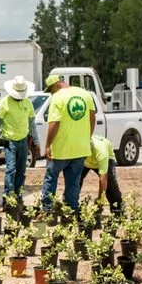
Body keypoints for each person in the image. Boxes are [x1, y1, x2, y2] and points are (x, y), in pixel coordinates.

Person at [40, 75, 96, 215]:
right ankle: (71, 212)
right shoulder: (85, 94)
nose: (51, 93)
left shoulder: (57, 97)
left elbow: (54, 123)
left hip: (60, 150)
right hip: (80, 148)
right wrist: (87, 137)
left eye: (50, 90)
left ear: (55, 85)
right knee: (73, 182)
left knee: (51, 178)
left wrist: (47, 145)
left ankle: (47, 211)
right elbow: (92, 118)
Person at [0, 75, 37, 204]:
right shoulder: (5, 102)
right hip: (10, 141)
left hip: (23, 141)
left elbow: (32, 124)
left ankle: (18, 196)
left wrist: (36, 142)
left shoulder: (28, 103)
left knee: (21, 170)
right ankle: (8, 197)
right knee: (11, 170)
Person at [80, 134, 123, 215]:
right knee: (75, 181)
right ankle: (70, 209)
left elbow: (103, 180)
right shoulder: (78, 148)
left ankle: (118, 212)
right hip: (85, 163)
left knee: (111, 186)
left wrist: (100, 200)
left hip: (106, 159)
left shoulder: (101, 151)